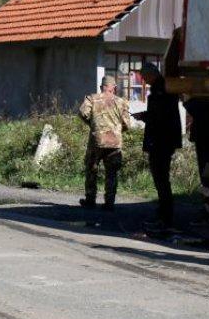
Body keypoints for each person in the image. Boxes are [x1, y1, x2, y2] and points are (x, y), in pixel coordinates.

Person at [134, 62, 183, 230]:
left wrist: (144, 116)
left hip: (161, 140)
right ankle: (163, 214)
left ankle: (165, 216)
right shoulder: (162, 87)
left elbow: (160, 116)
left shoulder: (161, 89)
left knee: (161, 178)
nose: (144, 81)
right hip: (163, 140)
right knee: (161, 179)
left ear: (151, 74)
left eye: (145, 77)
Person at [78, 75, 133, 210]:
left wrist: (93, 125)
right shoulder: (121, 102)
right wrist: (118, 132)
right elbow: (127, 123)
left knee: (91, 170)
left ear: (101, 87)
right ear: (113, 88)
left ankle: (90, 200)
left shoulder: (92, 98)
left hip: (97, 141)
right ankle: (109, 203)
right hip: (115, 143)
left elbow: (82, 113)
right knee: (112, 173)